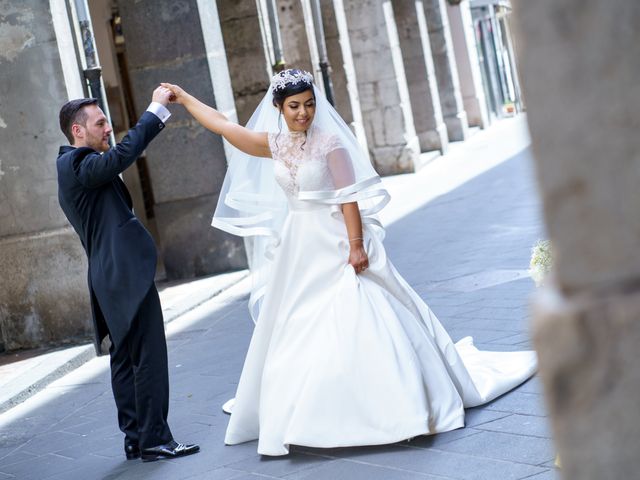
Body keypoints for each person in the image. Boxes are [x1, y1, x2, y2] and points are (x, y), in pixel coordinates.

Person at [162, 69, 537, 456]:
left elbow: (348, 197)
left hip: (336, 238)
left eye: (309, 104)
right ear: (279, 108)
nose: (303, 113)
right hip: (298, 247)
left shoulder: (330, 143)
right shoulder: (274, 144)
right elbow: (224, 126)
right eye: (294, 106)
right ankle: (306, 405)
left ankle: (387, 406)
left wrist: (356, 246)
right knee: (297, 322)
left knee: (357, 312)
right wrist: (185, 98)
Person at [56, 87, 199, 462]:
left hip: (110, 277)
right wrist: (154, 110)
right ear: (77, 131)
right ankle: (155, 439)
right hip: (122, 277)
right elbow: (122, 155)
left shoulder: (77, 166)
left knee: (125, 357)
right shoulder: (79, 165)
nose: (108, 128)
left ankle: (137, 437)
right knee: (149, 354)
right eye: (100, 123)